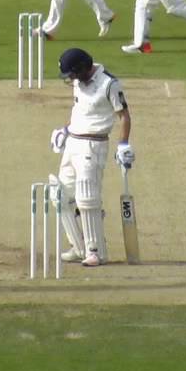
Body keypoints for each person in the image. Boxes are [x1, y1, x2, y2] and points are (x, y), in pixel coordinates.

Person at [49, 47, 132, 267]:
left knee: (86, 198)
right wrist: (65, 130)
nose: (72, 79)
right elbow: (80, 111)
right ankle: (78, 247)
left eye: (73, 74)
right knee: (60, 195)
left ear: (84, 68)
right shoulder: (78, 82)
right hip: (72, 143)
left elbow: (123, 115)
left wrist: (123, 144)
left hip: (93, 145)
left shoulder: (109, 84)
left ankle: (96, 251)